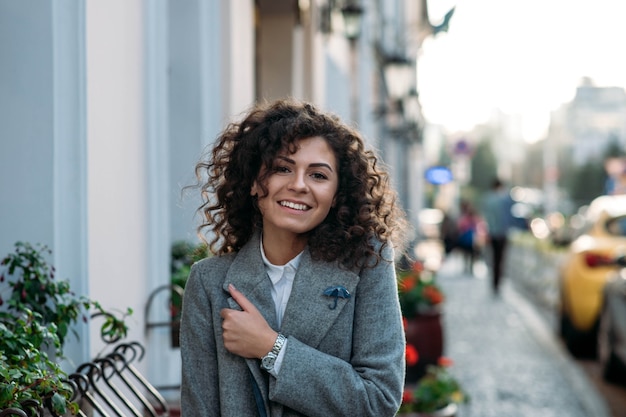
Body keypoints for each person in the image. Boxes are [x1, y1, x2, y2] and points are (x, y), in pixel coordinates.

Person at [180, 99, 409, 417]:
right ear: (253, 182)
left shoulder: (367, 263)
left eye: (318, 175)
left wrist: (272, 348)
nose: (299, 185)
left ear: (337, 194)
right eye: (282, 168)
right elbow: (199, 409)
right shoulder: (208, 282)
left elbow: (379, 400)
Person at [481, 178, 512, 294]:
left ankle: (493, 283)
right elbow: (508, 218)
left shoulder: (487, 199)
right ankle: (497, 284)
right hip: (502, 233)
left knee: (493, 258)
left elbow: (486, 217)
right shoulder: (503, 199)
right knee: (500, 260)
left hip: (492, 233)